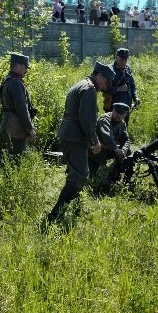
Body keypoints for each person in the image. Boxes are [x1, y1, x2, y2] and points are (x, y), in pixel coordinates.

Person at [45, 61, 115, 225]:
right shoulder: (89, 89)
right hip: (76, 137)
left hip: (70, 135)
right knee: (80, 176)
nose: (107, 85)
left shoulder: (81, 84)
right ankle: (55, 214)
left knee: (76, 174)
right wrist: (95, 141)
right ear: (99, 75)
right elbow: (87, 119)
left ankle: (73, 207)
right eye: (107, 81)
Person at [0, 53, 37, 156]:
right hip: (15, 128)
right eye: (25, 67)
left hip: (8, 125)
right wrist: (30, 130)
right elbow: (22, 109)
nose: (26, 70)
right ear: (18, 66)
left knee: (11, 159)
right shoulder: (16, 83)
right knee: (18, 161)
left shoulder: (7, 80)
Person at [88, 102, 131, 187]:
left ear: (125, 115)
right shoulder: (105, 119)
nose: (118, 115)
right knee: (90, 174)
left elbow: (126, 139)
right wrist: (116, 149)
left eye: (121, 114)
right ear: (113, 110)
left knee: (128, 153)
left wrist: (124, 149)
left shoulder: (122, 123)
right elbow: (107, 135)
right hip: (97, 150)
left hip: (110, 149)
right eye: (117, 112)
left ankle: (118, 175)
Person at [102, 48, 140, 124]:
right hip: (113, 107)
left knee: (124, 129)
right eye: (121, 59)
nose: (124, 62)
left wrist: (135, 97)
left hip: (126, 106)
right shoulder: (109, 70)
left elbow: (132, 85)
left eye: (125, 59)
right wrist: (118, 89)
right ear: (116, 57)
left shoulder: (127, 69)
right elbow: (103, 88)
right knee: (112, 129)